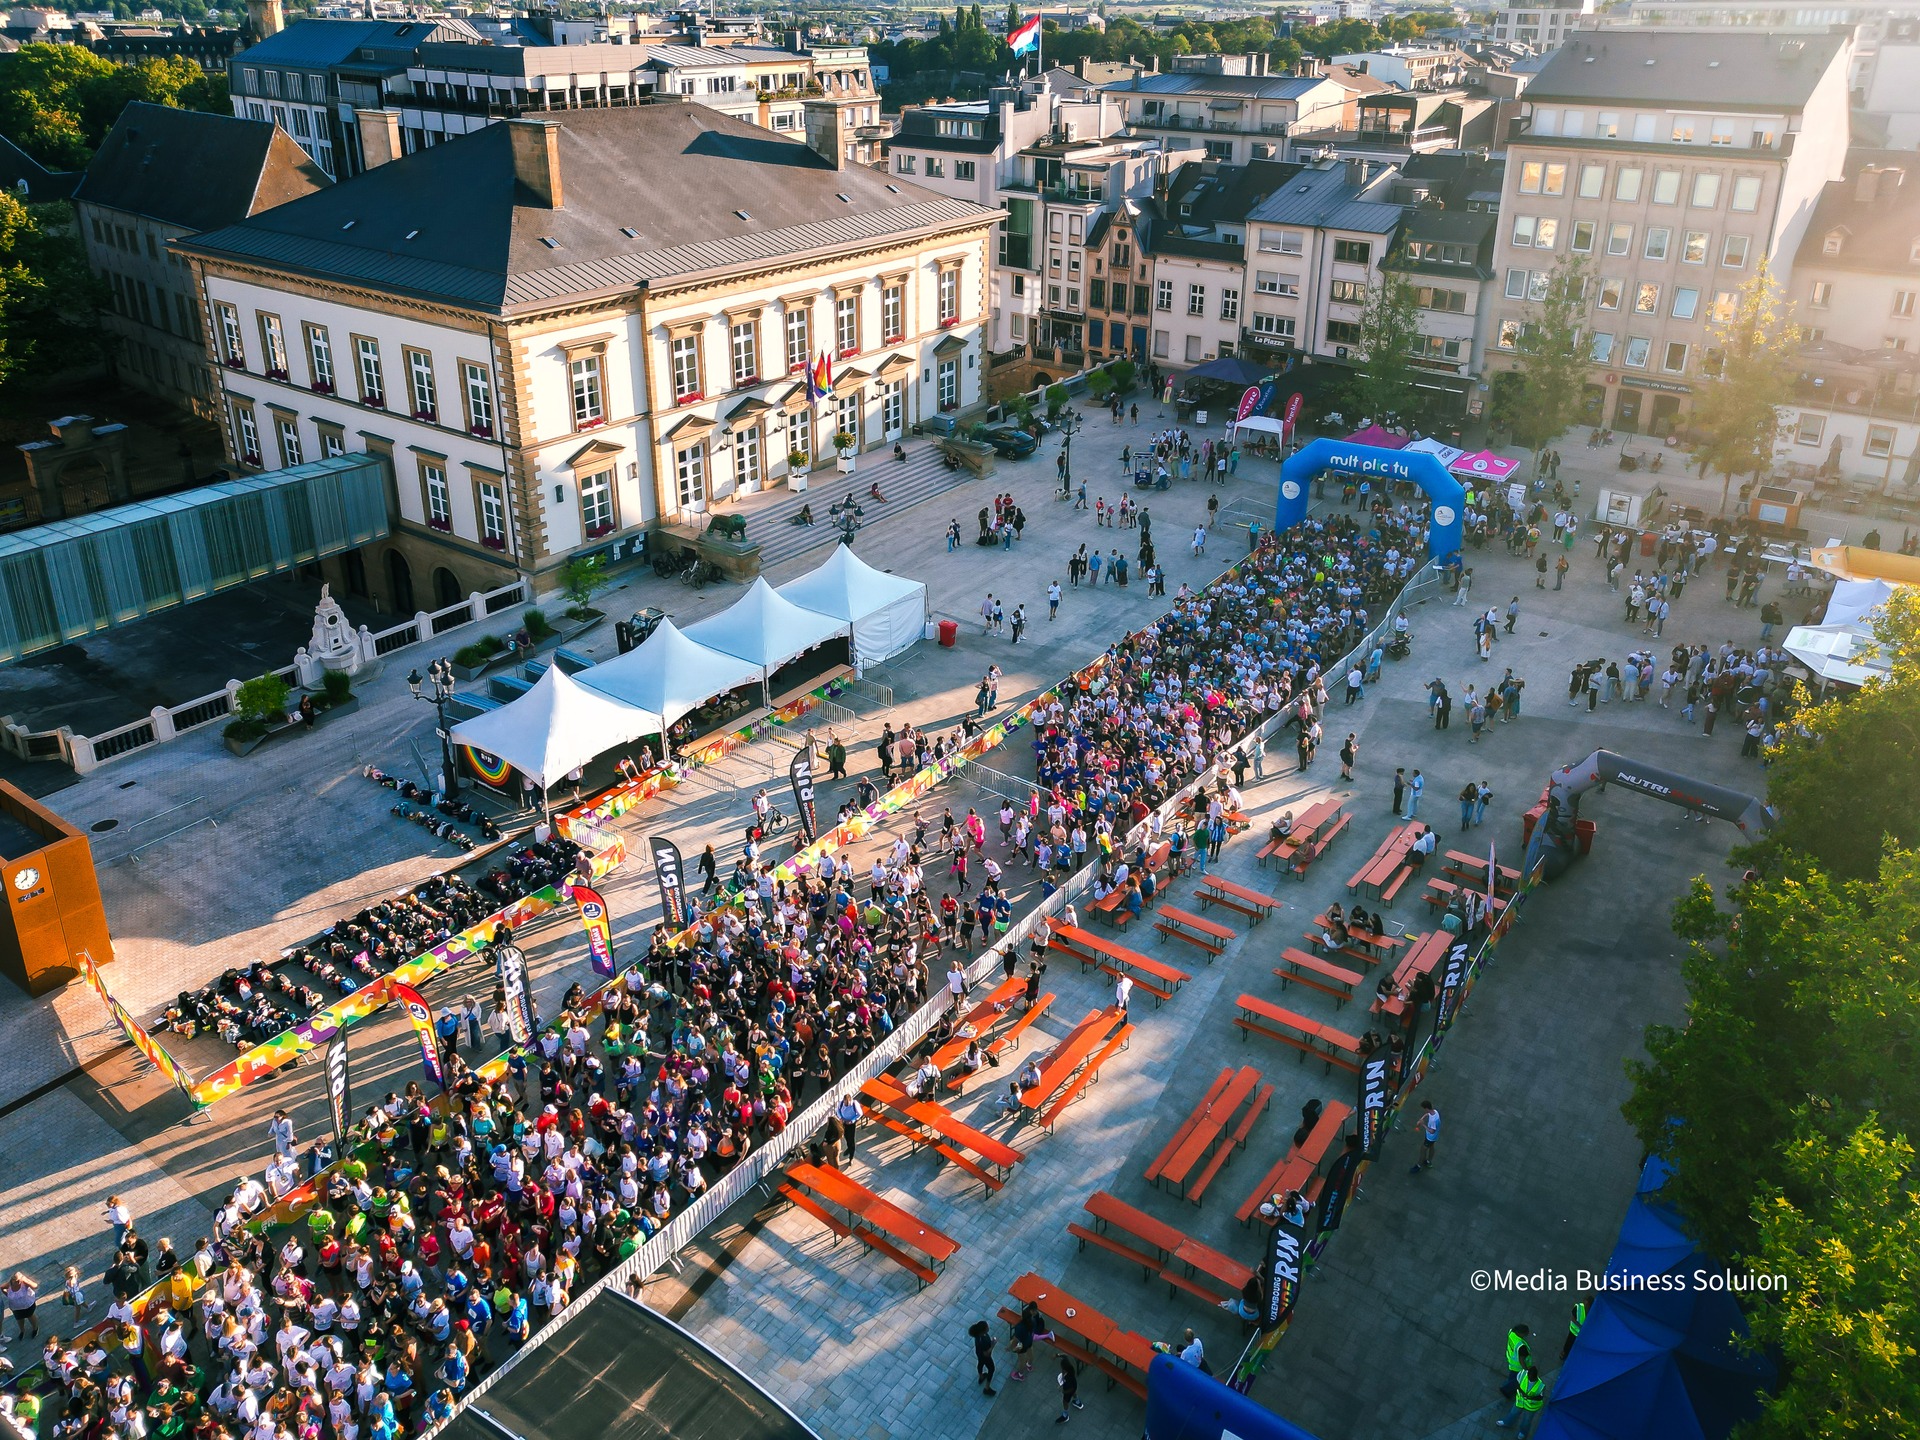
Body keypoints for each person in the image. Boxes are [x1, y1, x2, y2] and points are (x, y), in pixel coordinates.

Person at [969, 1319, 997, 1396]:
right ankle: (987, 1388)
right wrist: (993, 1344)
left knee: (980, 1363)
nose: (988, 1327)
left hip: (979, 1354)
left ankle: (981, 1377)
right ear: (983, 1331)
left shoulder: (978, 1336)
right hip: (985, 1357)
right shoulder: (983, 1340)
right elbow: (987, 1353)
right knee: (991, 1369)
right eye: (987, 1327)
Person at [1411, 1099, 1440, 1173]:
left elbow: (1432, 1131)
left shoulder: (1434, 1120)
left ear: (1426, 1108)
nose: (1424, 1110)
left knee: (1423, 1150)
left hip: (1430, 1137)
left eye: (1424, 1109)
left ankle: (1419, 1165)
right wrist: (1421, 1119)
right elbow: (1427, 1114)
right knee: (1431, 1147)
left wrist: (1423, 1124)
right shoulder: (1435, 1112)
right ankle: (1428, 1161)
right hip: (1433, 1137)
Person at [1054, 1354, 1083, 1423]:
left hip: (1069, 1389)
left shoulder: (1068, 1378)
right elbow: (1064, 1356)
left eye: (1062, 1368)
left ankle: (1065, 1416)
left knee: (1065, 1401)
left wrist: (1063, 1391)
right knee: (1074, 1392)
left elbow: (1071, 1389)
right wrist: (1057, 1355)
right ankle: (1077, 1402)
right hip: (1074, 1385)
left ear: (1065, 1369)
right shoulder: (1070, 1370)